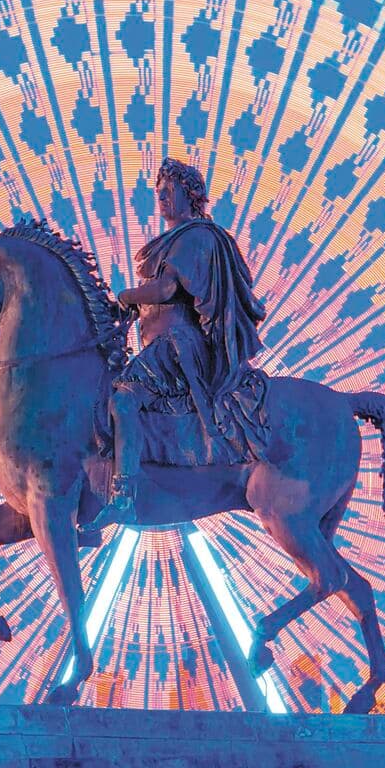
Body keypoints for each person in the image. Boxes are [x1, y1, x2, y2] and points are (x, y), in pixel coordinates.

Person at [89, 157, 268, 527]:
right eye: (159, 193)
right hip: (162, 345)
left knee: (123, 398)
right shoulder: (177, 240)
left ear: (191, 195)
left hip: (179, 347)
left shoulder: (197, 236)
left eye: (169, 191)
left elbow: (167, 289)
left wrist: (126, 295)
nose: (162, 199)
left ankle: (123, 494)